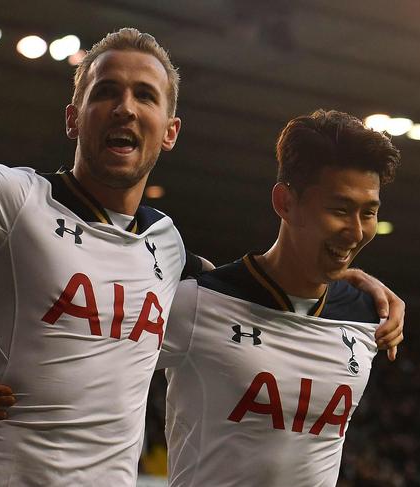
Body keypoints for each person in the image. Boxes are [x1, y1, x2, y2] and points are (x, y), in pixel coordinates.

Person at [0, 26, 402, 486]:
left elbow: (262, 284)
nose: (125, 107)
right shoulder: (11, 201)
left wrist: (350, 273)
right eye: (105, 92)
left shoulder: (167, 249)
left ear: (170, 131)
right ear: (74, 117)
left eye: (144, 95)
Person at [159, 109, 401, 486]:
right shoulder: (195, 302)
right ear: (285, 202)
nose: (356, 232)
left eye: (368, 212)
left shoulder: (367, 315)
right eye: (340, 209)